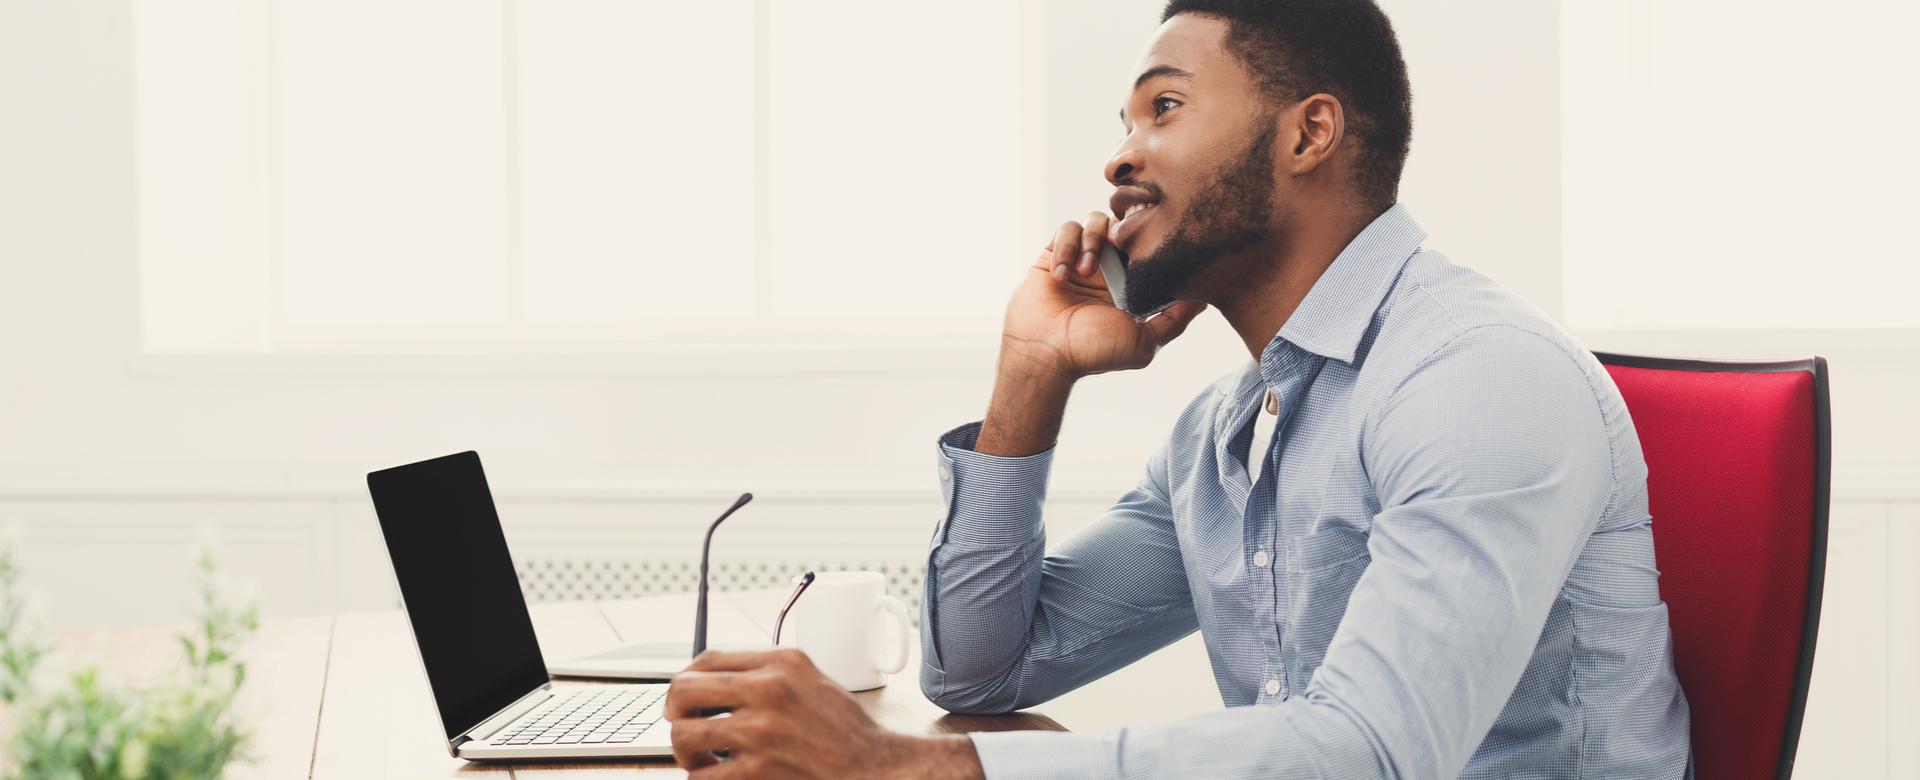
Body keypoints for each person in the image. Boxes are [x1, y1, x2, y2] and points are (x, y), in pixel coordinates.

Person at [663, 1, 1692, 777]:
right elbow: (982, 673)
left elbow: (1375, 751)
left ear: (1307, 134)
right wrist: (1031, 373)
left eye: (1165, 107)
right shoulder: (1228, 433)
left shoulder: (1476, 377)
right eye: (1125, 120)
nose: (1119, 156)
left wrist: (919, 767)